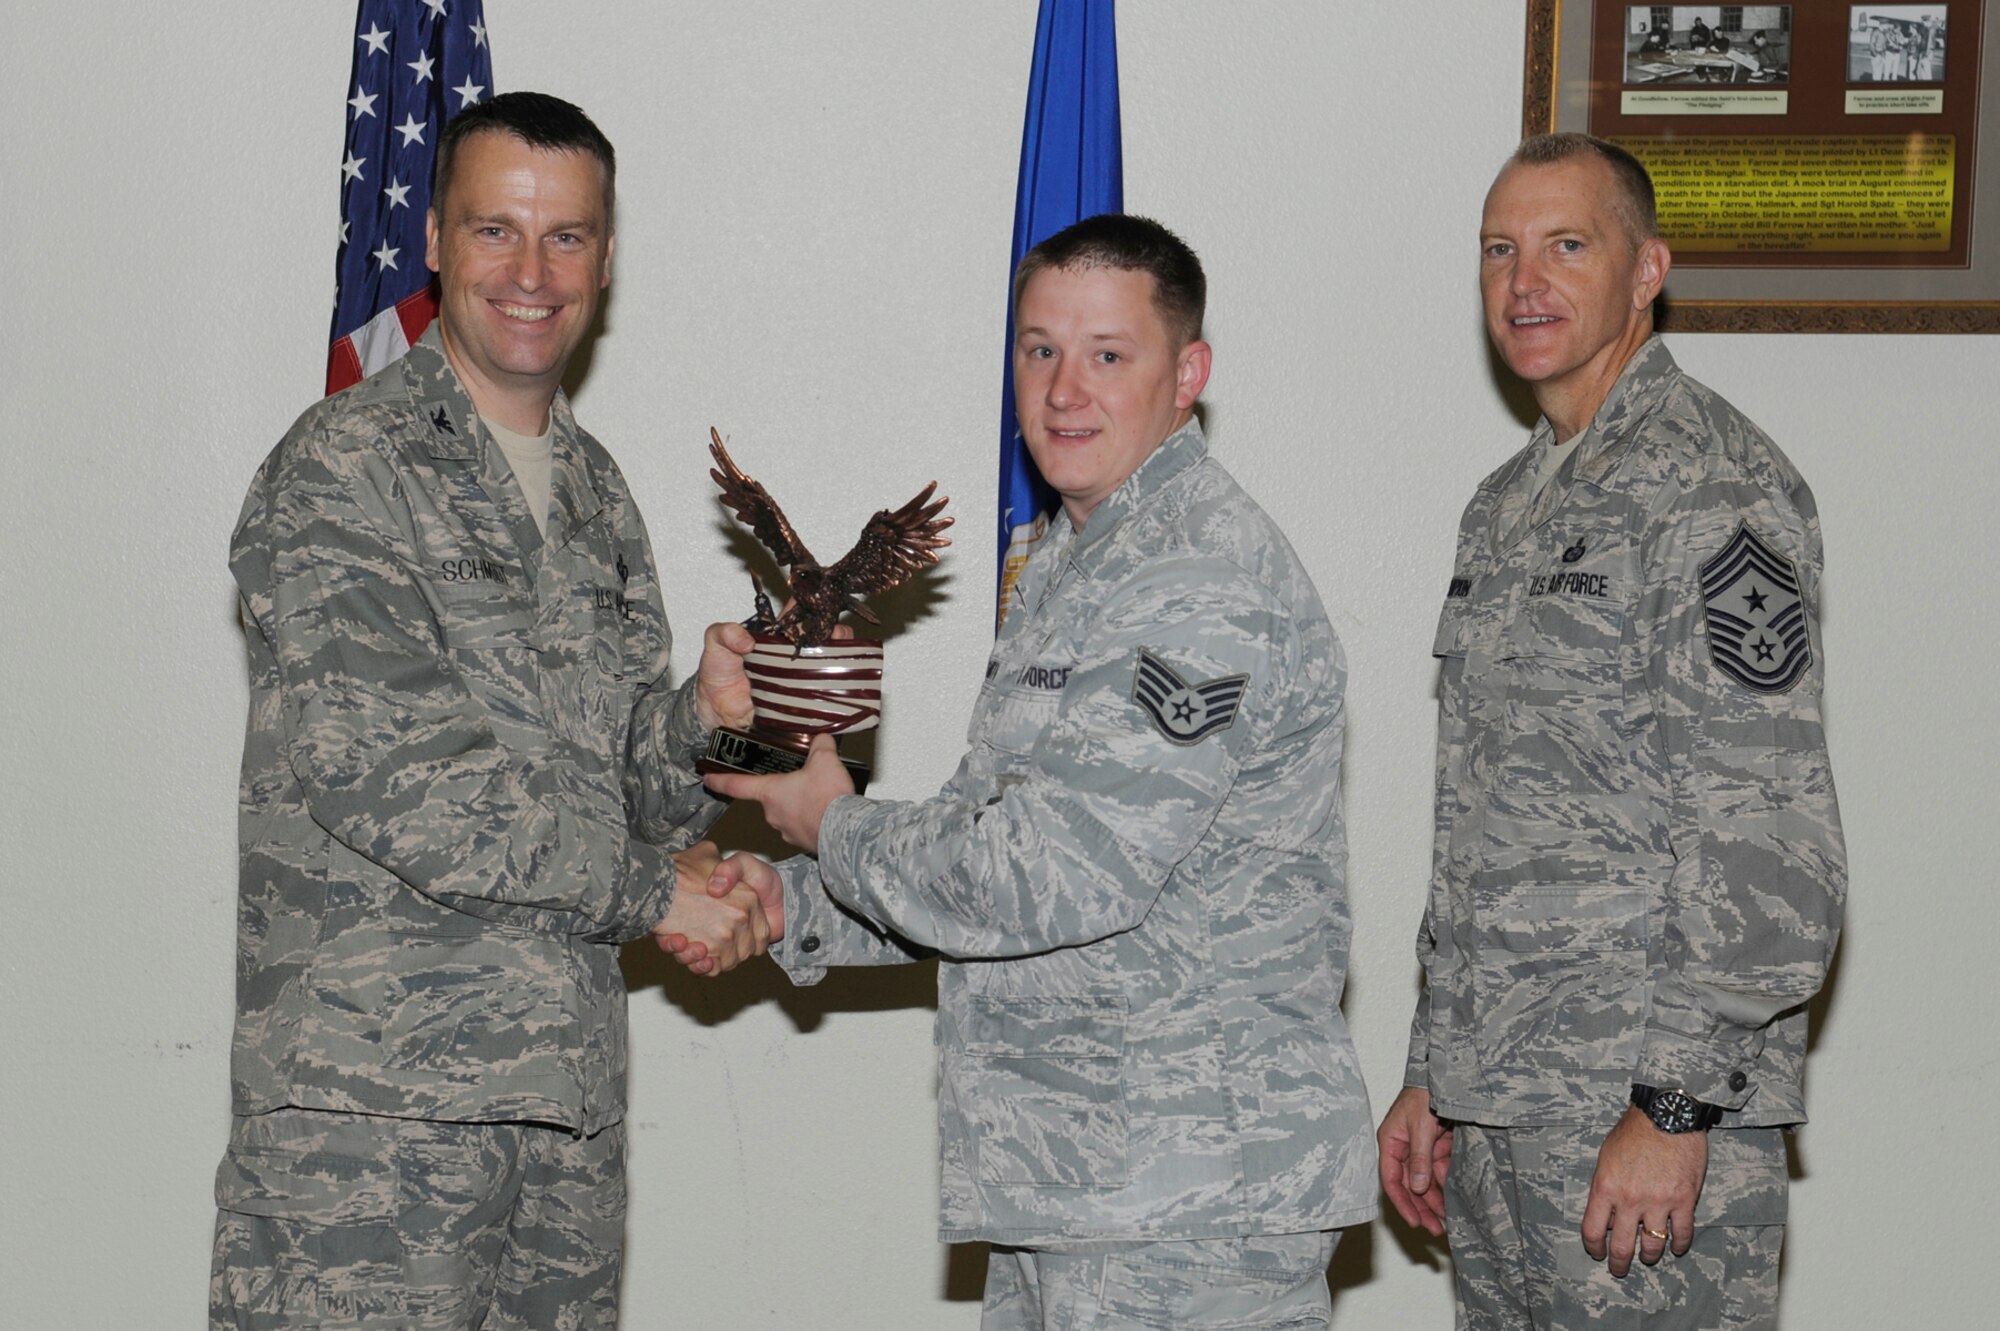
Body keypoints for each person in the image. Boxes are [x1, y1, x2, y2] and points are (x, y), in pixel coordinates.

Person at [706, 214, 1378, 1328]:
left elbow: (1051, 873)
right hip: (1075, 1186)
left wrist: (836, 828)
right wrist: (793, 904)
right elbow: (986, 845)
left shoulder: (1197, 576)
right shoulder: (1077, 559)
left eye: (1108, 354)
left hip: (1183, 1211)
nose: (1065, 389)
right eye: (1039, 349)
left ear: (1187, 375)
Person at [210, 92, 774, 1329]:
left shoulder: (594, 490)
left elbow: (620, 793)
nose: (531, 272)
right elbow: (402, 778)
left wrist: (709, 721)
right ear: (432, 239)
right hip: (368, 1125)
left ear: (606, 258)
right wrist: (658, 895)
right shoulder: (344, 465)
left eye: (566, 235)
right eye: (495, 230)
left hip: (562, 1117)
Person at [1376, 134, 1845, 1329]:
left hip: (1636, 1113)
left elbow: (1764, 833)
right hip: (1501, 1110)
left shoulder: (1712, 488)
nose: (1523, 282)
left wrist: (1676, 1103)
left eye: (1566, 246)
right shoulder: (1504, 504)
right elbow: (1479, 817)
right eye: (1499, 250)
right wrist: (1434, 1067)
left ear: (1646, 272)